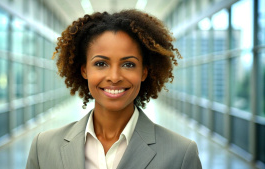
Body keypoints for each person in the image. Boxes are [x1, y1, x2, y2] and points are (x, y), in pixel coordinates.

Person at [26, 9, 202, 169]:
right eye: (101, 63)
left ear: (144, 72)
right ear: (84, 70)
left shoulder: (181, 154)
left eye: (128, 64)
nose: (115, 77)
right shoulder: (43, 148)